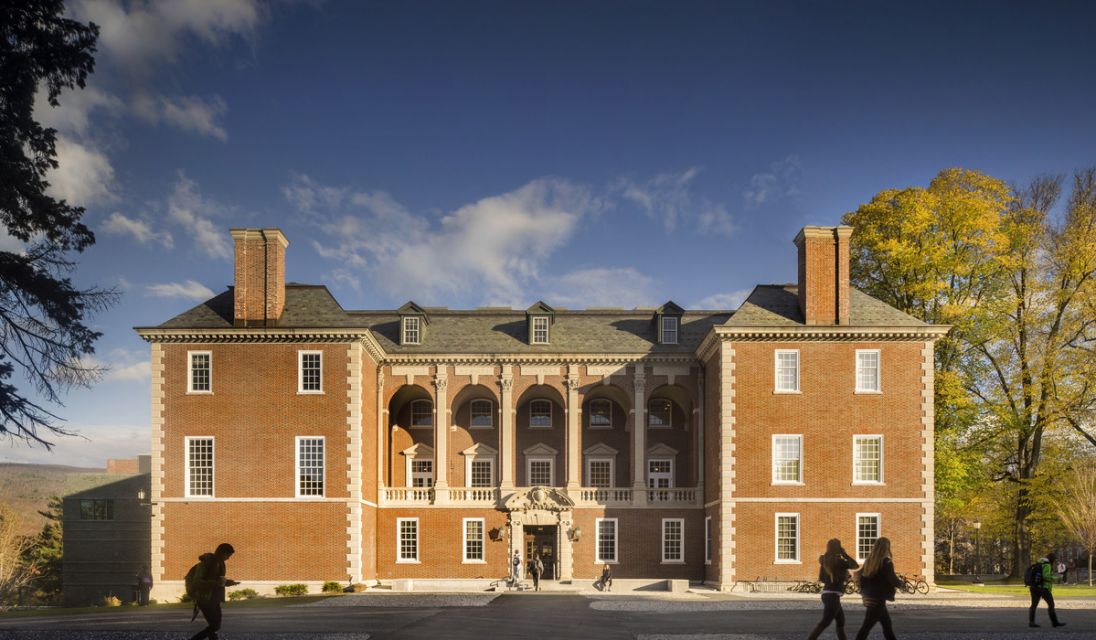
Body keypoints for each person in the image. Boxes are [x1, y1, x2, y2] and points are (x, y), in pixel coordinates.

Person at [807, 538, 859, 640]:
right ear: (839, 548)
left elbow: (821, 578)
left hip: (827, 594)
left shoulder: (825, 561)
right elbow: (855, 565)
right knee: (825, 622)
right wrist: (845, 555)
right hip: (832, 596)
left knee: (840, 621)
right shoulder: (840, 562)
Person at [854, 537, 902, 640]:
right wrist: (901, 584)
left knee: (887, 625)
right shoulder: (886, 562)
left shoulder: (869, 561)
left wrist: (863, 593)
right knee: (866, 627)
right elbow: (892, 579)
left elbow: (859, 576)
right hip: (879, 599)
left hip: (870, 597)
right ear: (886, 548)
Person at [189, 543, 239, 640]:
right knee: (215, 625)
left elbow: (219, 581)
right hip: (204, 599)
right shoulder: (205, 564)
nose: (228, 558)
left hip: (214, 599)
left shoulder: (219, 564)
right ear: (222, 553)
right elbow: (197, 582)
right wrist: (216, 583)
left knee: (214, 625)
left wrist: (228, 582)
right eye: (228, 555)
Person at [1029, 552, 1065, 628]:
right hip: (1043, 588)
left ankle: (1031, 622)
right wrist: (1056, 578)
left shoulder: (1039, 563)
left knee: (1034, 605)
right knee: (1051, 605)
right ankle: (1055, 622)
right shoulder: (1047, 565)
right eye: (1054, 560)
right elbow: (1046, 576)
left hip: (1034, 587)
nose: (1055, 562)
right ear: (1052, 559)